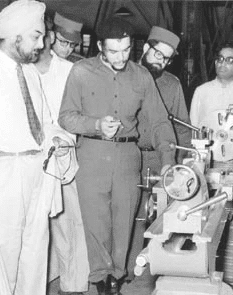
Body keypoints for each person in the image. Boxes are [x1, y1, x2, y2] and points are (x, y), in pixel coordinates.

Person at [58, 17, 176, 295]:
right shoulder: (80, 71)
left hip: (127, 157)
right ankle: (101, 280)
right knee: (96, 224)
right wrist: (95, 124)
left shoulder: (141, 76)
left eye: (126, 50)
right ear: (100, 46)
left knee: (124, 223)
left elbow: (159, 121)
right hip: (92, 155)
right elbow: (66, 117)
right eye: (113, 51)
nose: (121, 57)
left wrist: (168, 159)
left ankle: (117, 277)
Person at [0, 1, 76, 294]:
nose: (42, 43)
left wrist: (58, 139)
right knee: (1, 259)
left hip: (38, 174)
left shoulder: (32, 75)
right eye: (36, 36)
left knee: (35, 256)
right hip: (0, 177)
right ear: (16, 36)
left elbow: (44, 123)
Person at [126, 25, 192, 282]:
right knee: (127, 216)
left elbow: (181, 128)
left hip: (159, 158)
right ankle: (124, 271)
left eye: (166, 58)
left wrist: (179, 166)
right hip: (128, 155)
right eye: (157, 55)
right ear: (145, 48)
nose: (160, 62)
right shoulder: (123, 77)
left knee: (155, 216)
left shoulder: (172, 85)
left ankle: (150, 272)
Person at [35, 17, 89, 295]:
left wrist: (65, 139)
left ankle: (73, 284)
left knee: (69, 221)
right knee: (34, 226)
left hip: (65, 156)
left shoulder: (71, 71)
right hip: (32, 159)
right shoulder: (22, 70)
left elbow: (78, 115)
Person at [190, 42, 233, 167]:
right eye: (220, 59)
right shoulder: (201, 91)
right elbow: (194, 126)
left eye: (229, 60)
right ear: (215, 63)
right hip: (205, 159)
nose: (222, 63)